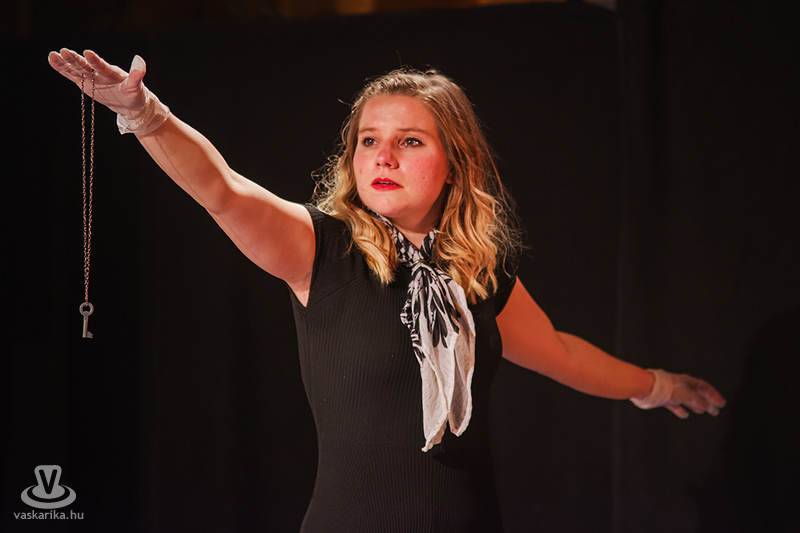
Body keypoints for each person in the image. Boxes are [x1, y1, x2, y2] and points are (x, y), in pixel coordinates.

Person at [48, 49, 726, 532]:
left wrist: (658, 385)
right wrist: (145, 113)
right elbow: (222, 189)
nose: (384, 156)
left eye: (410, 141)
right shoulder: (321, 249)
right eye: (369, 140)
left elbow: (561, 353)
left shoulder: (477, 275)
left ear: (454, 162)